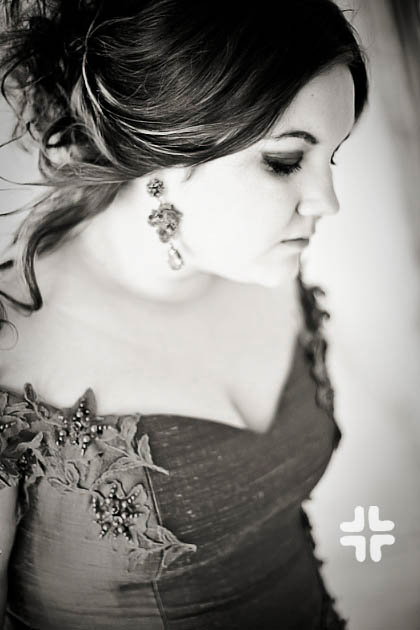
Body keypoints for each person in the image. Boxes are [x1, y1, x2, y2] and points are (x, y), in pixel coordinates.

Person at [0, 1, 369, 628]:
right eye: (285, 161)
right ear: (161, 158)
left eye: (330, 157)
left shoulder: (270, 269)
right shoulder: (13, 349)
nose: (326, 202)